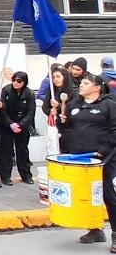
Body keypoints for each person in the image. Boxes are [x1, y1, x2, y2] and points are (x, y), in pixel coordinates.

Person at [56, 73, 116, 251]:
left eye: (86, 83)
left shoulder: (109, 105)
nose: (81, 85)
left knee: (109, 196)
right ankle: (95, 230)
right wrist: (61, 121)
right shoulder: (74, 104)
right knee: (88, 196)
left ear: (97, 87)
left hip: (104, 158)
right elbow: (66, 129)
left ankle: (115, 233)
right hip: (80, 158)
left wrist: (103, 150)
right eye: (81, 82)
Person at [0, 71, 35, 186]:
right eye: (14, 80)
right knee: (6, 152)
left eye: (19, 81)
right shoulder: (6, 90)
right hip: (7, 125)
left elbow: (31, 112)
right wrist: (10, 123)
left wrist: (21, 125)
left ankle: (26, 175)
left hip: (22, 126)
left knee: (22, 151)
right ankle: (5, 176)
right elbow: (2, 110)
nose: (16, 83)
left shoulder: (29, 94)